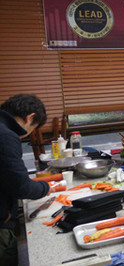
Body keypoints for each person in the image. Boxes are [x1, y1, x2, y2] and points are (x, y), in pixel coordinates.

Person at [0, 94, 52, 265]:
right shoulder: (6, 135)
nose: (30, 133)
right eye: (34, 127)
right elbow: (21, 187)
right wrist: (45, 188)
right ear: (29, 118)